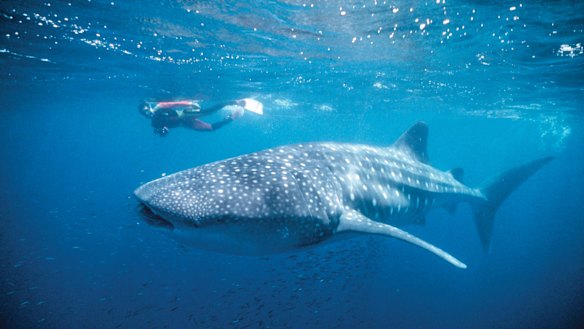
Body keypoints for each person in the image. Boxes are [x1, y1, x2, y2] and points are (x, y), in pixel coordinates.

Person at [138, 99, 246, 136]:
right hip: (184, 124)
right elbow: (162, 130)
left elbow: (175, 104)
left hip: (184, 114)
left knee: (207, 112)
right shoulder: (154, 124)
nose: (147, 113)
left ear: (150, 107)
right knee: (210, 129)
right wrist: (164, 131)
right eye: (144, 113)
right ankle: (233, 116)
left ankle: (235, 102)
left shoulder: (160, 106)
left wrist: (190, 104)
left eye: (147, 110)